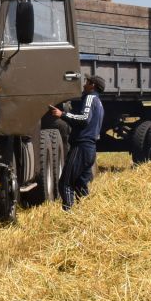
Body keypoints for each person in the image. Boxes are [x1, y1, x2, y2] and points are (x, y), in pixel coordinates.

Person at [51, 76, 106, 209]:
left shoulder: (90, 98)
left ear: (93, 85)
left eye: (87, 82)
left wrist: (62, 114)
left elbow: (84, 118)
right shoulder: (99, 103)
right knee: (80, 185)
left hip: (82, 146)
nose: (84, 85)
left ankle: (68, 215)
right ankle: (87, 212)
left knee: (65, 183)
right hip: (90, 148)